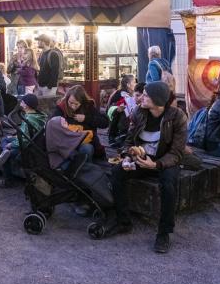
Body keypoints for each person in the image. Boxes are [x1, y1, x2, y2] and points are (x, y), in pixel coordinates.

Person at [110, 81, 188, 253]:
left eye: (145, 95)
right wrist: (127, 156)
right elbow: (128, 141)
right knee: (117, 172)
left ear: (158, 100)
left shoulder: (177, 117)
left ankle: (164, 232)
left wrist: (156, 164)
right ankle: (123, 221)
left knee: (168, 183)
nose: (141, 98)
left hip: (165, 159)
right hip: (142, 158)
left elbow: (176, 152)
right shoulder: (139, 112)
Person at [0, 93, 47, 188]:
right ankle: (5, 151)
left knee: (6, 154)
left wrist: (12, 144)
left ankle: (8, 181)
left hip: (27, 147)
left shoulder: (29, 119)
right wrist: (15, 137)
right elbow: (27, 134)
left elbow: (25, 139)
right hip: (34, 143)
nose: (20, 103)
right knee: (5, 139)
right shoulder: (40, 116)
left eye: (22, 102)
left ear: (26, 105)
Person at [52, 85, 109, 160]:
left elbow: (105, 123)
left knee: (87, 149)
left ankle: (87, 166)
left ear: (82, 102)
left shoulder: (88, 106)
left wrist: (86, 118)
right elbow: (52, 125)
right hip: (66, 142)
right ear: (67, 99)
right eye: (71, 103)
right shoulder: (61, 108)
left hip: (85, 141)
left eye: (76, 104)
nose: (73, 106)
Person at [107, 74, 137, 147]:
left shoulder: (133, 94)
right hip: (116, 126)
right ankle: (118, 137)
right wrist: (117, 109)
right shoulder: (119, 94)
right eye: (134, 82)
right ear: (128, 85)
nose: (136, 84)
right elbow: (109, 109)